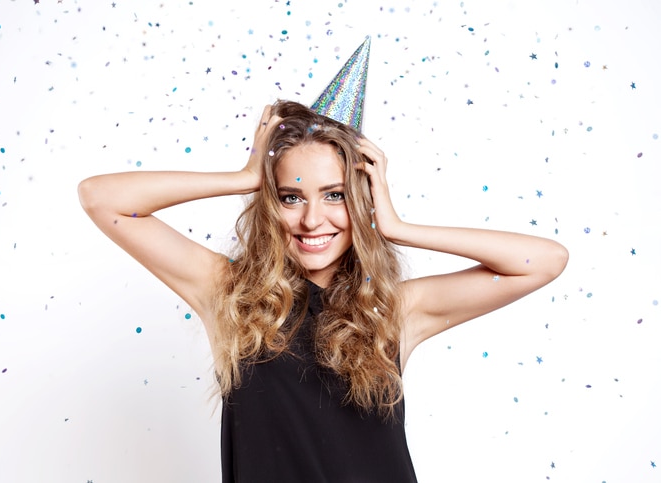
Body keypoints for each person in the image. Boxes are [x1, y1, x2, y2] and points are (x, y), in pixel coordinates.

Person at [78, 99, 568, 482]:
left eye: (335, 195)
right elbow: (102, 199)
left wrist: (397, 226)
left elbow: (543, 262)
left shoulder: (394, 309)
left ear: (361, 199)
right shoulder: (229, 294)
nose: (313, 220)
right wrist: (245, 176)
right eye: (291, 197)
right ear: (270, 204)